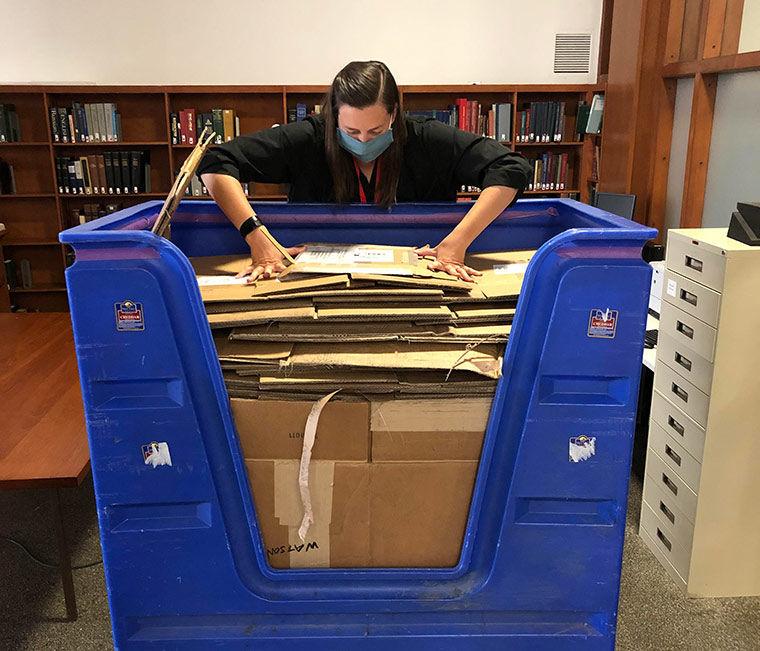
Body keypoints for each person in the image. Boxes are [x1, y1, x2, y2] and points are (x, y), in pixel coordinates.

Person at [198, 60, 532, 282]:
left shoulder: (427, 139)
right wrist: (257, 237)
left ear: (394, 116)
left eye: (374, 132)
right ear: (334, 117)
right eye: (351, 132)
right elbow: (215, 163)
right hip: (323, 280)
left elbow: (511, 168)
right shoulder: (309, 138)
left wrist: (456, 243)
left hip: (419, 275)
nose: (362, 141)